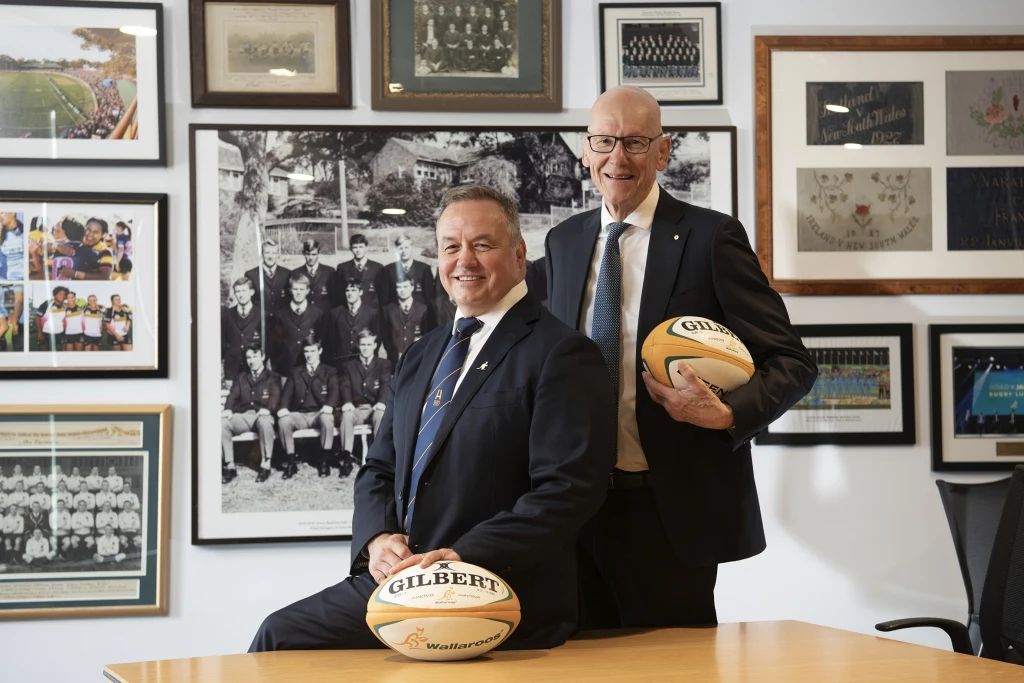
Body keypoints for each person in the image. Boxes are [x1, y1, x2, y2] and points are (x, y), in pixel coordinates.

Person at [249, 184, 615, 652]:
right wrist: (378, 538)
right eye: (451, 247)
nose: (465, 261)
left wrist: (465, 554)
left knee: (284, 640)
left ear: (519, 254)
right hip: (405, 581)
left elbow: (568, 490)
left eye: (482, 244)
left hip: (496, 588)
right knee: (279, 637)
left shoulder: (561, 353)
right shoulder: (420, 355)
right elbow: (378, 469)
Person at [545, 86, 817, 628]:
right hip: (573, 509)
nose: (618, 158)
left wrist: (728, 413)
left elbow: (792, 361)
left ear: (663, 152)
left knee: (673, 663)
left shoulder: (710, 237)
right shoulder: (563, 242)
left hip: (667, 514)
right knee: (576, 663)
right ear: (586, 150)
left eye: (635, 142)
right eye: (604, 142)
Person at [276, 334, 339, 479]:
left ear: (320, 351)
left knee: (327, 419)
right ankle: (291, 461)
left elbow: (334, 391)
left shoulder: (329, 371)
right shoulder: (296, 372)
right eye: (306, 351)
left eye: (313, 351)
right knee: (284, 420)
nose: (309, 355)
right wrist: (283, 407)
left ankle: (324, 460)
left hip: (319, 413)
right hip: (301, 414)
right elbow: (286, 394)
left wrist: (329, 405)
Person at [222, 344, 281, 484]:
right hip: (245, 416)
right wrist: (228, 409)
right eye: (249, 357)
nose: (252, 361)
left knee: (265, 422)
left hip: (263, 414)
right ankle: (230, 466)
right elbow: (233, 396)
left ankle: (265, 464)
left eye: (255, 356)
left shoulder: (272, 376)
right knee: (222, 423)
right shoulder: (242, 377)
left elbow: (275, 396)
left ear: (262, 356)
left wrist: (269, 409)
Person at [338, 330, 391, 468]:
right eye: (363, 345)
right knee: (346, 415)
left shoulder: (383, 364)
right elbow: (345, 386)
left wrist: (381, 402)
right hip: (357, 408)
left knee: (381, 415)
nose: (366, 348)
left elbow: (385, 384)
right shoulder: (349, 366)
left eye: (369, 344)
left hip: (374, 407)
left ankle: (379, 457)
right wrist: (347, 402)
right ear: (358, 345)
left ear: (375, 345)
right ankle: (347, 457)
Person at [270, 272, 325, 375]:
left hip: (309, 369)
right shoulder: (280, 315)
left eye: (301, 289)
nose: (298, 293)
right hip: (286, 369)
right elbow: (276, 346)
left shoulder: (317, 314)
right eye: (295, 289)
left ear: (307, 291)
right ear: (290, 290)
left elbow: (320, 342)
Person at [325, 279, 379, 367]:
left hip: (363, 363)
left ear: (360, 292)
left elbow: (377, 339)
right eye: (347, 290)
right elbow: (331, 341)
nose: (350, 293)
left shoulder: (372, 313)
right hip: (341, 363)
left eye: (353, 290)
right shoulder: (335, 313)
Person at [222, 277, 263, 381]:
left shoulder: (262, 314)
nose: (241, 295)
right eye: (238, 291)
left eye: (244, 291)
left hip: (253, 370)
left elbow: (267, 344)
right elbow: (223, 342)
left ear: (252, 292)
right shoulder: (227, 314)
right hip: (232, 371)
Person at [381, 277, 430, 361]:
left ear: (412, 287)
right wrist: (393, 353)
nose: (402, 290)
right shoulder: (388, 310)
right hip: (395, 358)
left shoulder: (423, 309)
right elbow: (385, 336)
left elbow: (427, 334)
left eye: (405, 286)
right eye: (399, 287)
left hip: (418, 356)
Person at [334, 233, 384, 312]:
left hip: (372, 311)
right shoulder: (342, 268)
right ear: (351, 249)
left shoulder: (377, 267)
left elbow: (382, 294)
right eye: (355, 247)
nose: (358, 250)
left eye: (361, 247)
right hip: (350, 311)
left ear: (366, 248)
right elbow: (339, 294)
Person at [245, 238, 292, 310]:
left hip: (281, 316)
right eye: (267, 253)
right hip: (260, 316)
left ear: (277, 255)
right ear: (262, 254)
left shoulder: (287, 274)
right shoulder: (251, 275)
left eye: (273, 253)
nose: (270, 256)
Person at [295, 239, 333, 309]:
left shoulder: (330, 271)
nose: (310, 258)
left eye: (314, 254)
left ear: (319, 253)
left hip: (325, 314)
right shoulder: (296, 273)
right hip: (305, 314)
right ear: (303, 253)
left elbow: (334, 297)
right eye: (308, 254)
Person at [35, 285, 68, 351]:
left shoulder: (65, 306)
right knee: (44, 352)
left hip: (60, 333)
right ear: (54, 295)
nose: (62, 296)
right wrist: (39, 333)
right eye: (60, 294)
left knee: (58, 352)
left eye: (64, 294)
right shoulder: (47, 303)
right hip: (46, 332)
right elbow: (37, 318)